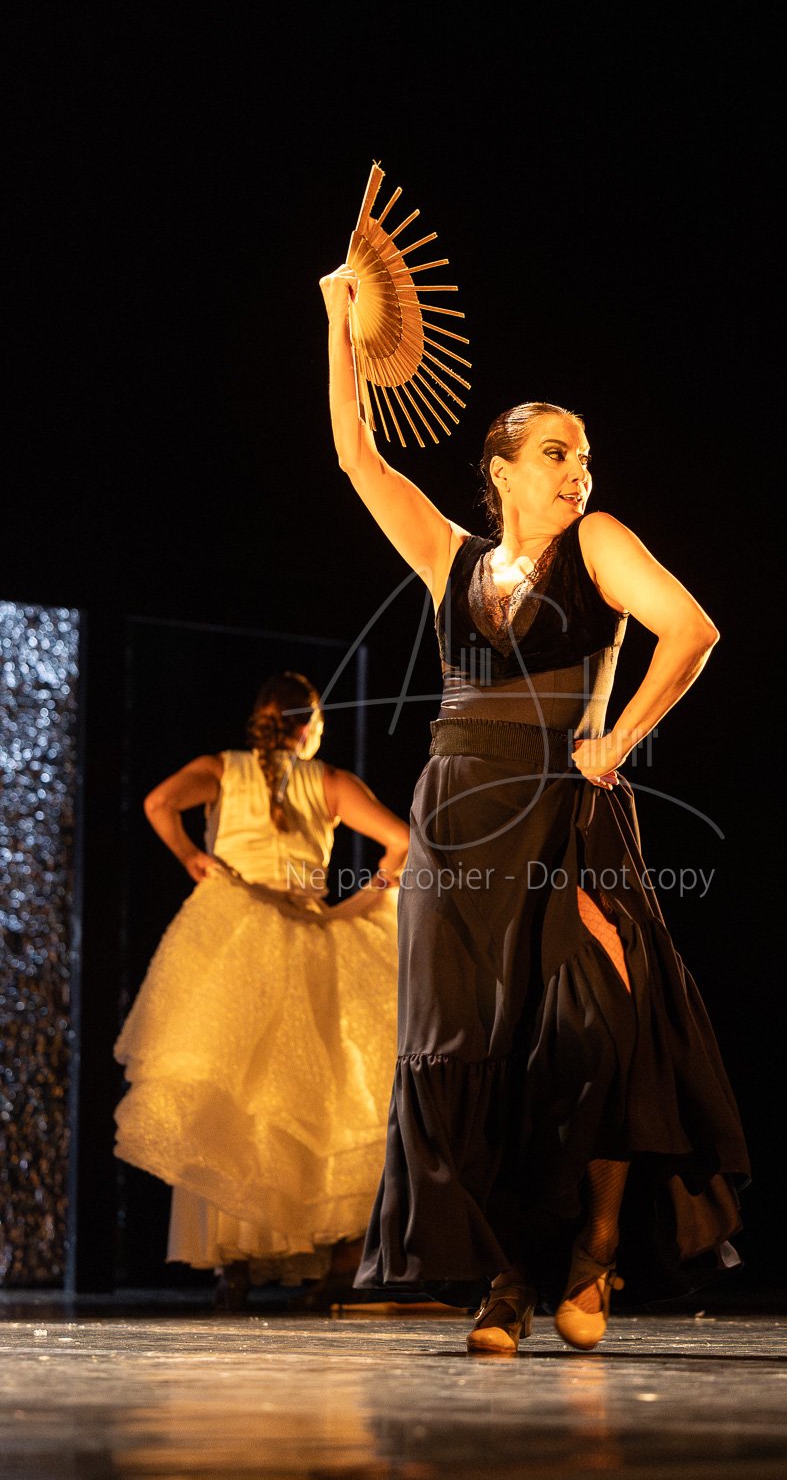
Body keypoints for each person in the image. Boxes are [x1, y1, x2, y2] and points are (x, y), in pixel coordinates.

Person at [320, 264, 751, 1354]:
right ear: (501, 471)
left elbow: (691, 630)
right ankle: (504, 1282)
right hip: (457, 818)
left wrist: (617, 739)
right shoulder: (449, 558)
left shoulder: (597, 543)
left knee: (598, 1022)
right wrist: (336, 319)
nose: (578, 472)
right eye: (556, 454)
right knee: (464, 1045)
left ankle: (596, 1251)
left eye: (585, 456)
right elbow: (358, 456)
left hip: (566, 817)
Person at [113, 670, 409, 1309]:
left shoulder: (222, 769)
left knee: (231, 1090)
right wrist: (371, 895)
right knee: (318, 1095)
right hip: (303, 934)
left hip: (235, 929)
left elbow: (159, 803)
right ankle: (335, 1258)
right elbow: (404, 842)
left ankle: (234, 1263)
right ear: (310, 726)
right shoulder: (329, 782)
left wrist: (191, 857)